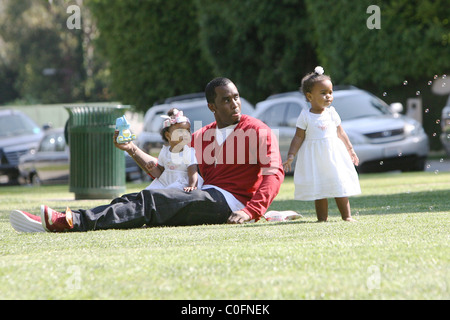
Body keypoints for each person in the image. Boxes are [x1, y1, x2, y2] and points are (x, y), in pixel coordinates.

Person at [10, 77, 284, 233]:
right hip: (204, 193)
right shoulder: (201, 136)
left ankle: (70, 223)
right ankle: (70, 216)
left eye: (236, 97)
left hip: (230, 202)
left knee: (151, 201)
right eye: (226, 99)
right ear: (212, 106)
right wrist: (132, 150)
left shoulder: (256, 130)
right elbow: (165, 174)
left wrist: (251, 211)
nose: (235, 103)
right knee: (135, 197)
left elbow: (274, 174)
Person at [283, 66, 361, 222]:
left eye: (330, 92)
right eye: (323, 93)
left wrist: (350, 150)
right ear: (310, 96)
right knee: (319, 189)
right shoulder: (305, 115)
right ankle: (322, 219)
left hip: (334, 155)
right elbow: (298, 137)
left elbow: (341, 132)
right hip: (315, 158)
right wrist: (291, 155)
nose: (328, 96)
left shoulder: (332, 113)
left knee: (339, 184)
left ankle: (347, 216)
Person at [144, 108, 202, 192]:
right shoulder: (164, 151)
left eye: (188, 131)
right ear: (168, 136)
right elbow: (160, 173)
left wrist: (192, 186)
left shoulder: (188, 152)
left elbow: (193, 172)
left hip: (182, 182)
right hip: (166, 181)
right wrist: (153, 169)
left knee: (172, 190)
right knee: (149, 191)